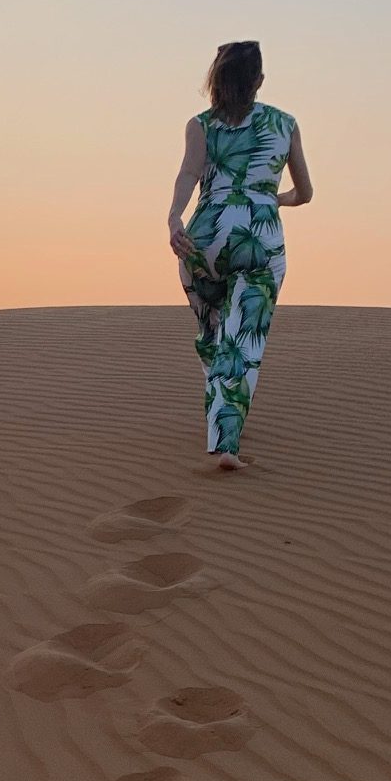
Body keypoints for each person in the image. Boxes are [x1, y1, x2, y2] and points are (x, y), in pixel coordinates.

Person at [167, 41, 313, 469]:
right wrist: (272, 199)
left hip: (203, 238)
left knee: (212, 330)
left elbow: (189, 173)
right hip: (259, 240)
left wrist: (174, 218)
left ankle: (218, 407)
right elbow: (305, 193)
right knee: (242, 339)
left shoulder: (200, 125)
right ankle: (225, 441)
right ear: (259, 82)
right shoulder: (284, 124)